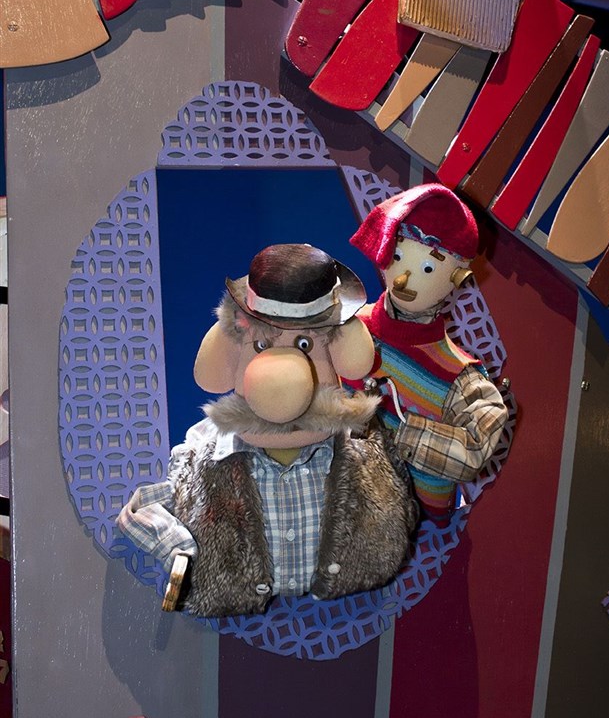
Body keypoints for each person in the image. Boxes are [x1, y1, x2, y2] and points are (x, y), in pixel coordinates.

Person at [117, 243, 418, 617]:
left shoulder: (364, 449)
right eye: (261, 345)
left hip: (355, 614)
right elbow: (146, 505)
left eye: (305, 345)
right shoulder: (205, 454)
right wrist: (178, 549)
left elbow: (400, 500)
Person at [348, 183, 510, 527]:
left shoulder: (459, 377)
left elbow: (475, 445)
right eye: (397, 257)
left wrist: (399, 431)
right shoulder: (348, 325)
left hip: (409, 525)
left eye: (427, 269)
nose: (403, 279)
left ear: (457, 278)